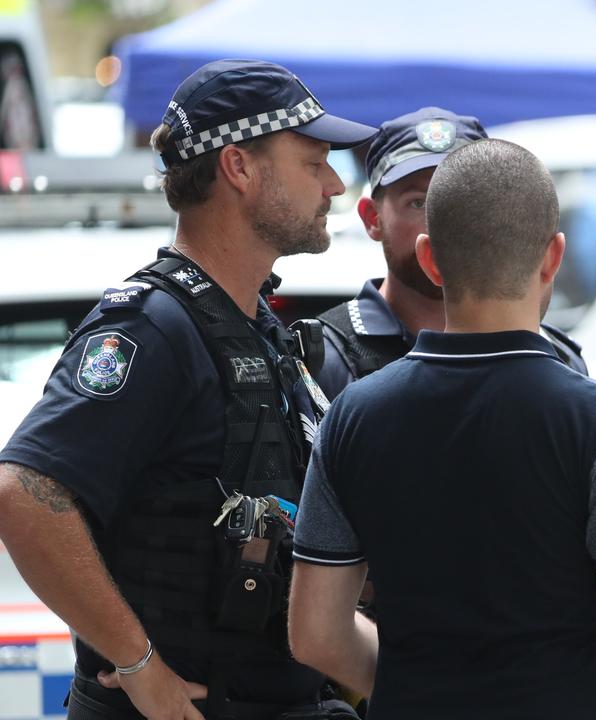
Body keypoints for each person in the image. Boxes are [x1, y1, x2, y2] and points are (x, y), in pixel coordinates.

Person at [0, 59, 375, 719]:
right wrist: (138, 663)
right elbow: (24, 496)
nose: (336, 186)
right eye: (314, 163)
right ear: (238, 167)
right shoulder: (153, 325)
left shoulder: (256, 329)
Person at [287, 138, 596, 719]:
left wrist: (417, 683)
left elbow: (314, 635)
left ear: (430, 259)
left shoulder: (354, 415)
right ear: (553, 257)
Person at [311, 107, 586, 400]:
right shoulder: (325, 358)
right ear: (372, 219)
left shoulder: (553, 355)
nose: (441, 223)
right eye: (418, 203)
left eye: (464, 204)